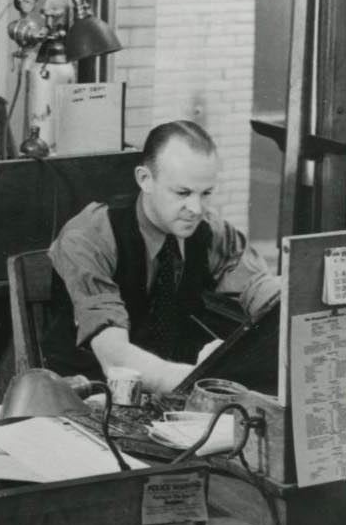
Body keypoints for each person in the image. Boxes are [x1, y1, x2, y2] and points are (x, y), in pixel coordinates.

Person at [45, 119, 280, 395]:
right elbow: (115, 359)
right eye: (182, 193)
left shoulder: (211, 232)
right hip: (89, 395)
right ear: (145, 179)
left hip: (170, 396)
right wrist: (201, 379)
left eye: (206, 193)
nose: (195, 208)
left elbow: (265, 294)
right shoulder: (89, 238)